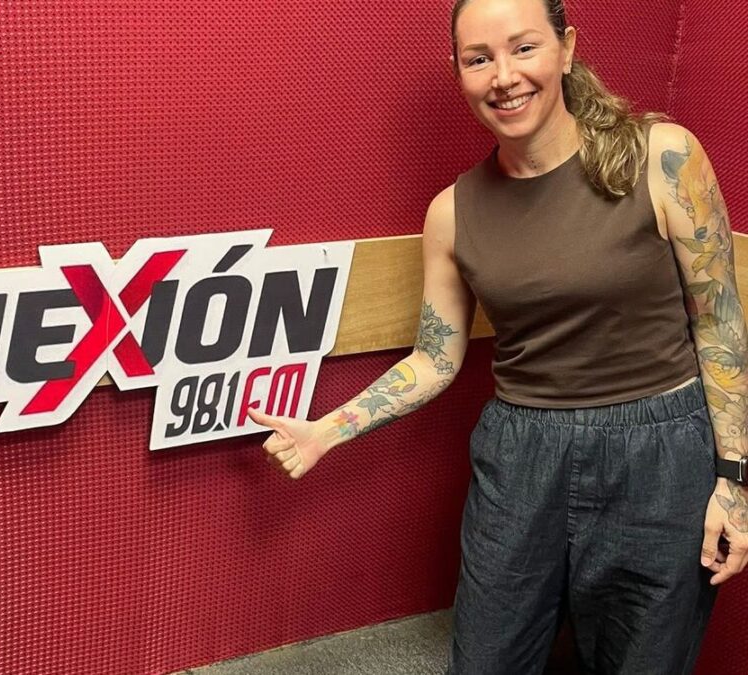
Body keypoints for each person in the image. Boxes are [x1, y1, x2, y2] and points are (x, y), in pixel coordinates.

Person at [246, 0, 748, 672]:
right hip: (522, 456)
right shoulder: (452, 212)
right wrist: (325, 430)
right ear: (458, 74)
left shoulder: (662, 156)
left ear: (567, 48)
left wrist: (735, 480)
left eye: (524, 47)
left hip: (659, 453)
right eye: (479, 59)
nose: (504, 76)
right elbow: (434, 358)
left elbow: (719, 322)